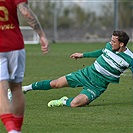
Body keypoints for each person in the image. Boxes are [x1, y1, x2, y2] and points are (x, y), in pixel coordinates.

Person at [22, 30, 133, 108]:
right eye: (111, 40)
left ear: (122, 44)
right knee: (55, 84)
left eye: (114, 41)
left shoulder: (130, 59)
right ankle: (25, 88)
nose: (111, 43)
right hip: (86, 74)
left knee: (75, 104)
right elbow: (101, 52)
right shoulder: (109, 46)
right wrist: (83, 55)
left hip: (97, 86)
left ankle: (64, 101)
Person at [0, 1, 48, 133]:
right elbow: (26, 12)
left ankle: (12, 130)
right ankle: (17, 130)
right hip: (15, 45)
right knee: (16, 89)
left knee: (1, 91)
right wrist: (41, 35)